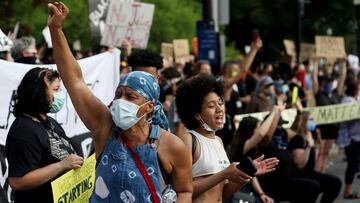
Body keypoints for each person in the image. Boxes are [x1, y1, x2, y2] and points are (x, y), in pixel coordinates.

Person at [47, 2, 192, 202]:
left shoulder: (172, 146)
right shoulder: (105, 128)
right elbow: (75, 81)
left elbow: (185, 190)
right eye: (118, 95)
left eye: (131, 97)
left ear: (150, 106)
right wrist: (56, 30)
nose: (120, 102)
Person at [175, 73, 279, 203]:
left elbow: (223, 193)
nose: (220, 109)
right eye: (211, 106)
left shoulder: (218, 141)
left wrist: (247, 172)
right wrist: (223, 174)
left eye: (220, 103)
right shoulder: (189, 139)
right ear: (196, 114)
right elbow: (182, 190)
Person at [6, 67, 84, 203]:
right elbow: (17, 181)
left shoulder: (48, 121)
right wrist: (61, 166)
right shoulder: (24, 130)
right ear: (38, 93)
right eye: (55, 89)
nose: (60, 94)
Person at [228, 106, 284, 203]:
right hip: (236, 192)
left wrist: (262, 194)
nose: (259, 129)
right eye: (258, 127)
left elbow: (252, 175)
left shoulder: (251, 147)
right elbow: (260, 135)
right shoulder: (242, 146)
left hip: (246, 191)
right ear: (250, 130)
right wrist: (273, 111)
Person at [287, 111, 341, 203]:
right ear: (304, 122)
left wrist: (318, 143)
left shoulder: (310, 137)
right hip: (299, 175)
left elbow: (316, 164)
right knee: (313, 186)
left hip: (310, 173)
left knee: (335, 183)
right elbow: (299, 164)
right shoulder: (298, 139)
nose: (313, 122)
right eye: (310, 120)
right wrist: (308, 146)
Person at [337, 81, 360, 199]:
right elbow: (351, 120)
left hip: (353, 137)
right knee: (352, 164)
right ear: (354, 90)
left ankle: (348, 189)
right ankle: (348, 191)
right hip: (352, 138)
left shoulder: (351, 100)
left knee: (353, 163)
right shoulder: (348, 102)